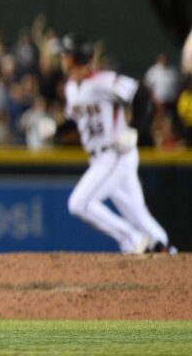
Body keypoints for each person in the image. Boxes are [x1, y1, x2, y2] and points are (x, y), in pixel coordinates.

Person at [60, 35, 174, 255]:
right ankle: (164, 248)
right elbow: (72, 120)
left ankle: (131, 238)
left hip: (116, 153)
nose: (62, 58)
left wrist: (136, 130)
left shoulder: (103, 80)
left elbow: (142, 94)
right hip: (99, 157)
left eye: (66, 54)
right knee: (138, 214)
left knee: (79, 204)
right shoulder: (71, 88)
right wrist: (54, 130)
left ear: (76, 57)